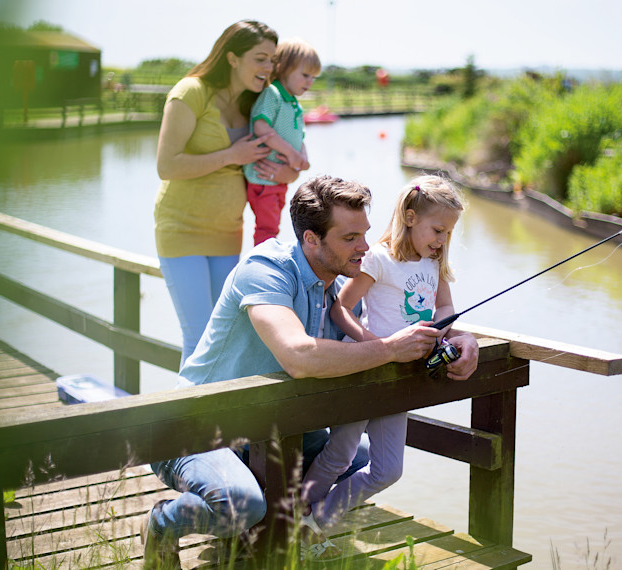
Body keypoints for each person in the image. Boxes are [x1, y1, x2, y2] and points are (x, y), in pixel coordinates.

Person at [142, 175, 480, 567]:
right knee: (241, 503)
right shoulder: (265, 269)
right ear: (311, 240)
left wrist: (463, 338)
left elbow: (416, 312)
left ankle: (277, 528)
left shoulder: (334, 289)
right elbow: (298, 356)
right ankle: (163, 522)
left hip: (265, 430)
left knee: (359, 459)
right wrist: (389, 350)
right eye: (350, 238)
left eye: (365, 234)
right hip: (196, 427)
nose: (366, 247)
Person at [299, 175, 467, 559]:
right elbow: (341, 306)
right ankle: (292, 517)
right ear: (410, 217)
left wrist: (443, 330)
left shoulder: (434, 261)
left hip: (401, 375)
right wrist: (377, 346)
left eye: (448, 232)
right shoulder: (379, 257)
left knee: (389, 469)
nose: (442, 239)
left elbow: (444, 307)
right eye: (437, 229)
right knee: (339, 455)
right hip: (367, 369)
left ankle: (316, 519)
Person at [154, 20, 299, 367]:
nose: (268, 68)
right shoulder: (191, 92)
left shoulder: (259, 102)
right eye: (260, 58)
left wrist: (286, 170)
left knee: (225, 335)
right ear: (232, 58)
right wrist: (232, 156)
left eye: (272, 60)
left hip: (228, 234)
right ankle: (191, 420)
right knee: (199, 336)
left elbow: (289, 164)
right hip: (181, 230)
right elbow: (166, 166)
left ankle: (219, 420)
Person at [243, 38, 320, 245]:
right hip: (263, 177)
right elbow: (261, 127)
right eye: (305, 75)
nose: (309, 82)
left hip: (277, 179)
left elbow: (300, 137)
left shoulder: (294, 104)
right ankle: (262, 263)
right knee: (267, 227)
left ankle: (267, 257)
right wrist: (291, 154)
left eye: (313, 77)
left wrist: (303, 157)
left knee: (274, 225)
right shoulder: (273, 94)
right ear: (284, 69)